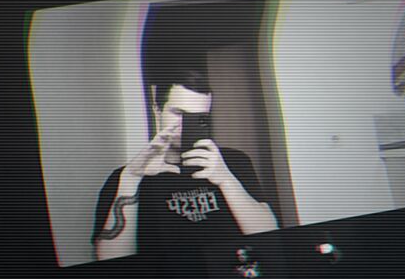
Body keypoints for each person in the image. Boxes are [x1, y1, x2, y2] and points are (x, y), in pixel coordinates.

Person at [91, 70, 279, 263]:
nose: (186, 125)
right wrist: (131, 178)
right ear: (157, 110)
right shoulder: (127, 176)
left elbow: (269, 236)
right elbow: (109, 257)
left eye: (199, 117)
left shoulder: (234, 161)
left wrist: (226, 180)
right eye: (178, 113)